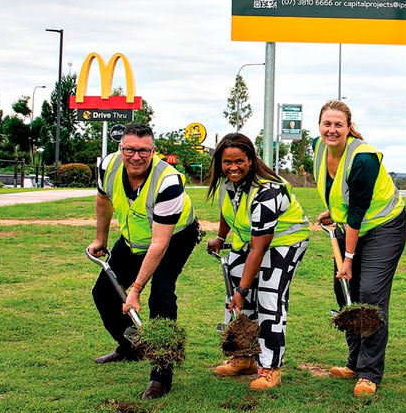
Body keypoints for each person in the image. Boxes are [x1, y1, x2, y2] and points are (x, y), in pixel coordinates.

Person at [87, 123, 200, 400]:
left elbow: (159, 243)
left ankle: (161, 376)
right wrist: (100, 238)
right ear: (120, 148)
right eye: (129, 150)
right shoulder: (108, 166)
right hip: (133, 238)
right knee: (103, 292)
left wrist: (136, 290)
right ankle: (129, 348)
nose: (136, 157)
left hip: (175, 238)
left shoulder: (168, 183)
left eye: (143, 151)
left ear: (153, 151)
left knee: (160, 294)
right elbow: (103, 200)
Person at [313, 100, 406, 397]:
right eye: (327, 124)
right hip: (350, 226)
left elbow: (358, 211)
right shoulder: (318, 148)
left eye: (338, 125)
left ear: (348, 127)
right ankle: (354, 362)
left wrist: (349, 258)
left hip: (384, 227)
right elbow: (338, 193)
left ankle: (369, 372)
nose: (332, 130)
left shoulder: (364, 158)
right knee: (344, 290)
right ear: (319, 126)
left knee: (370, 295)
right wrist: (333, 212)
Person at [204, 133, 309, 391]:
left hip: (284, 242)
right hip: (249, 241)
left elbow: (259, 249)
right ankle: (245, 357)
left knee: (268, 300)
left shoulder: (268, 191)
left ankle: (270, 368)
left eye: (239, 161)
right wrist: (220, 237)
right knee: (237, 299)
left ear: (250, 160)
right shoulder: (228, 183)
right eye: (227, 162)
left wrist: (243, 289)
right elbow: (229, 209)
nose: (233, 167)